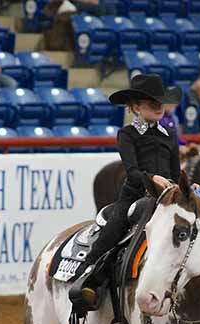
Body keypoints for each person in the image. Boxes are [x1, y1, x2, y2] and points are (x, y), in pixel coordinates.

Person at [69, 74, 182, 308]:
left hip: (167, 196)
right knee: (115, 226)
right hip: (136, 194)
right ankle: (90, 277)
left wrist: (184, 186)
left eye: (160, 101)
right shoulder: (128, 134)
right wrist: (152, 179)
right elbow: (132, 172)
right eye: (152, 102)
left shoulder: (169, 135)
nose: (159, 106)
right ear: (135, 107)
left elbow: (176, 172)